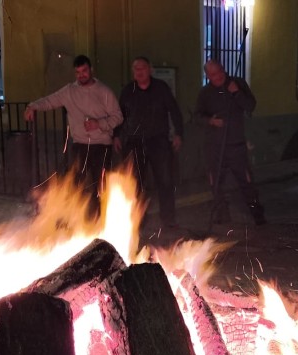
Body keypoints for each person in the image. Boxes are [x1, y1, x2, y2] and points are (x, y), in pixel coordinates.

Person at [24, 55, 122, 217]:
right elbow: (50, 101)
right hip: (80, 145)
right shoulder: (69, 91)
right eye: (77, 72)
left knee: (100, 186)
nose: (81, 75)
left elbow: (118, 117)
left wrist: (99, 124)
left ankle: (101, 219)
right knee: (76, 185)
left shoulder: (104, 92)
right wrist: (32, 106)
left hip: (102, 145)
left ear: (91, 70)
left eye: (84, 71)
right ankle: (78, 220)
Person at [114, 56, 184, 229]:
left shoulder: (161, 88)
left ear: (150, 69)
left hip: (158, 140)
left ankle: (168, 219)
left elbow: (174, 111)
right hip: (134, 142)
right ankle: (138, 220)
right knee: (135, 184)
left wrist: (178, 134)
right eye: (136, 69)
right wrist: (116, 135)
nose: (139, 72)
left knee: (165, 180)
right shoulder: (128, 90)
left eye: (142, 68)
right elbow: (119, 115)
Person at [193, 59, 265, 225]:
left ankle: (257, 215)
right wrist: (210, 121)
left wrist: (236, 93)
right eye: (212, 75)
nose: (217, 77)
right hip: (214, 147)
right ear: (208, 76)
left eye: (219, 72)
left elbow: (251, 105)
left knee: (246, 183)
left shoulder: (237, 83)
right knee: (216, 183)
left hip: (236, 145)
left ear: (223, 69)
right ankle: (222, 215)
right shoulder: (205, 93)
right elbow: (197, 116)